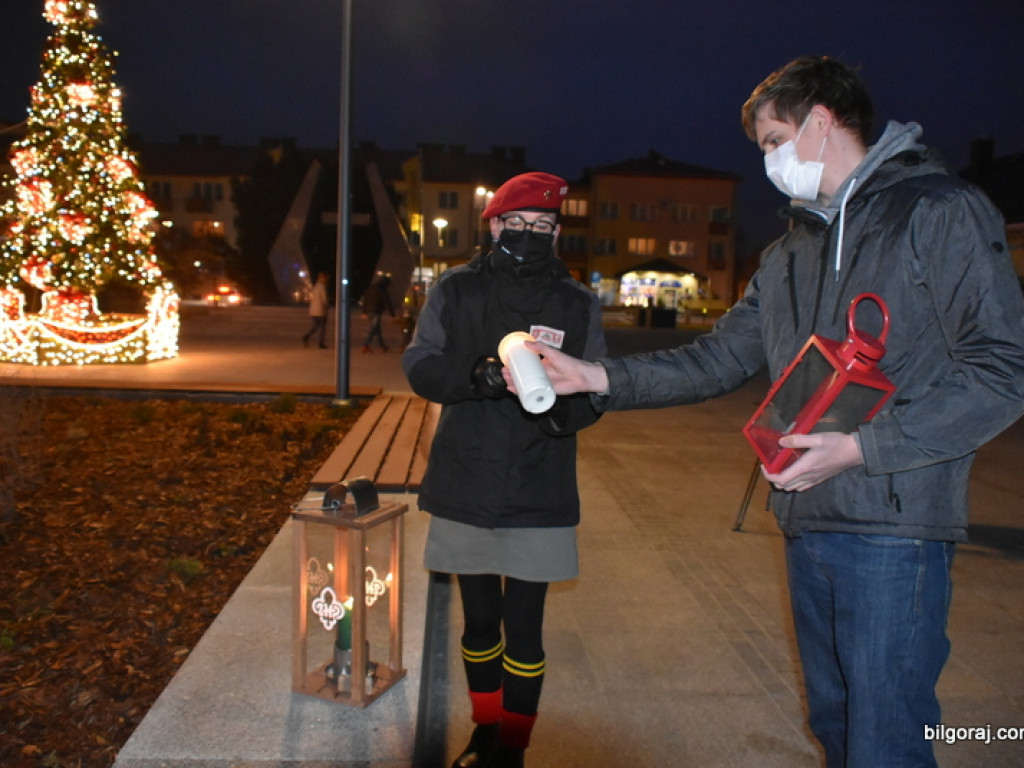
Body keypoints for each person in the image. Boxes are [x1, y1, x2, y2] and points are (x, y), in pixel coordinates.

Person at [516, 57, 1024, 768]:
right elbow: (716, 359)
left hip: (893, 529)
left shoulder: (938, 212)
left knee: (886, 741)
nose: (769, 162)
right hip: (805, 519)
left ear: (821, 121)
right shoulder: (789, 253)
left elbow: (1004, 367)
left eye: (772, 140)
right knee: (837, 725)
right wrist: (594, 375)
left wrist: (862, 449)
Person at [403, 172, 606, 768]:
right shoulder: (456, 290)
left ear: (557, 231)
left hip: (539, 488)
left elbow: (594, 390)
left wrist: (557, 414)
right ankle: (484, 730)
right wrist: (478, 376)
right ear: (494, 225)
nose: (529, 235)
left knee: (524, 629)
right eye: (517, 225)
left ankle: (513, 746)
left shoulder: (576, 303)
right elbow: (419, 363)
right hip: (466, 480)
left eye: (543, 227)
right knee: (479, 625)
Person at [361, 272, 396, 353]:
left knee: (377, 329)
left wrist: (364, 312)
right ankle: (365, 345)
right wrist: (392, 315)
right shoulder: (382, 290)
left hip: (369, 311)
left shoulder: (370, 288)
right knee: (373, 328)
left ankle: (383, 346)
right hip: (376, 311)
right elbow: (387, 302)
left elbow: (365, 300)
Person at [301, 272, 330, 349]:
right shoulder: (322, 287)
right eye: (325, 278)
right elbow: (324, 299)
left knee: (315, 326)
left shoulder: (315, 287)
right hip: (321, 310)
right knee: (322, 328)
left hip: (313, 310)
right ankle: (321, 343)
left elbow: (311, 298)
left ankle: (307, 336)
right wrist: (327, 306)